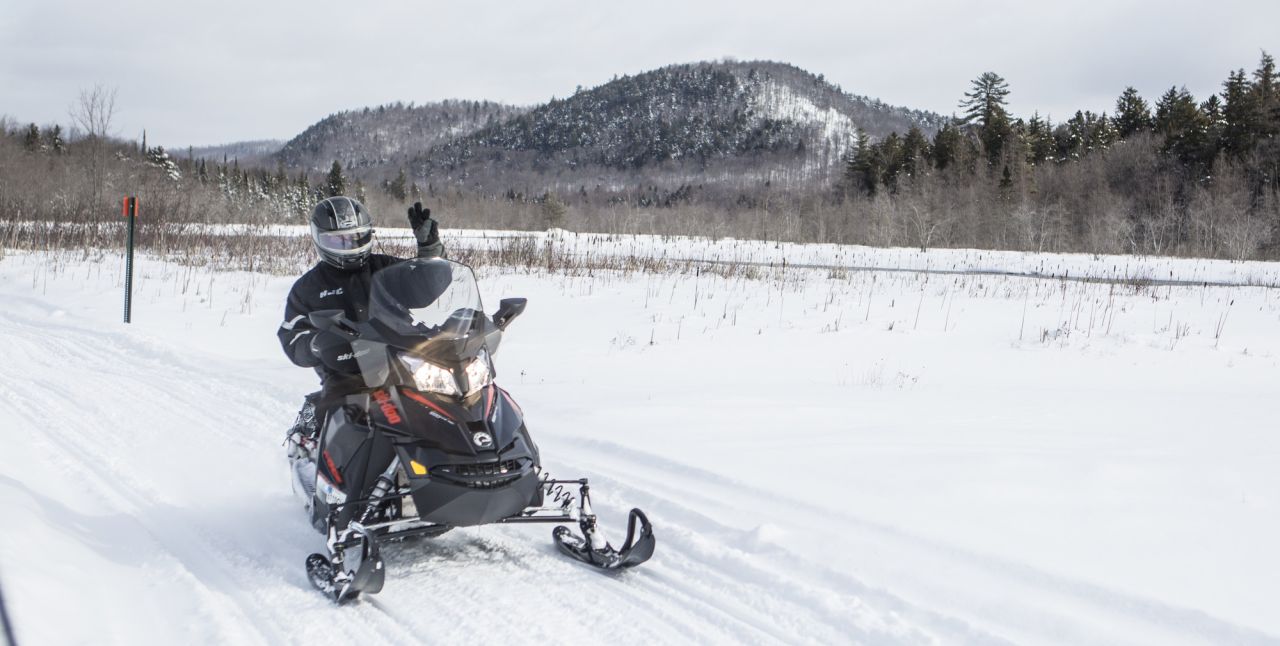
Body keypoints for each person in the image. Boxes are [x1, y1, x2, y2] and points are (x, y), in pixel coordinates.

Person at [279, 196, 444, 453]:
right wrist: (316, 344)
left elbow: (426, 289)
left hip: (403, 361)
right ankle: (330, 481)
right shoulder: (308, 288)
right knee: (342, 420)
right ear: (319, 239)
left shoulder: (386, 268)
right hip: (347, 372)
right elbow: (292, 335)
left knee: (449, 404)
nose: (349, 245)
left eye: (356, 237)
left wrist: (430, 251)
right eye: (338, 240)